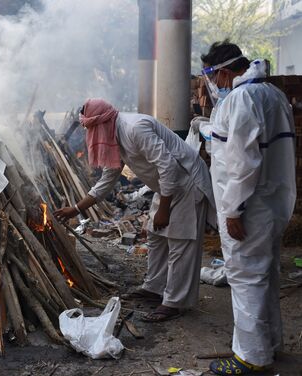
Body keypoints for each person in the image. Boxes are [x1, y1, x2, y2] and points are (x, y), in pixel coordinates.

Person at [54, 98, 214, 322]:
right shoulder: (113, 135)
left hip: (185, 182)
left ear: (102, 122)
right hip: (166, 185)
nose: (91, 136)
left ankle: (174, 303)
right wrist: (76, 208)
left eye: (91, 129)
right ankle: (155, 288)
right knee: (157, 237)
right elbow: (109, 177)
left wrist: (164, 210)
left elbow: (167, 165)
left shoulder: (135, 129)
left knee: (180, 242)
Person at [200, 41, 296, 375]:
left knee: (245, 280)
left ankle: (251, 357)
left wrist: (232, 211)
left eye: (213, 76)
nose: (214, 84)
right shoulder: (272, 95)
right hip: (271, 204)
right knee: (266, 276)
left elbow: (242, 164)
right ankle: (268, 345)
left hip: (249, 208)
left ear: (223, 71)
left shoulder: (240, 100)